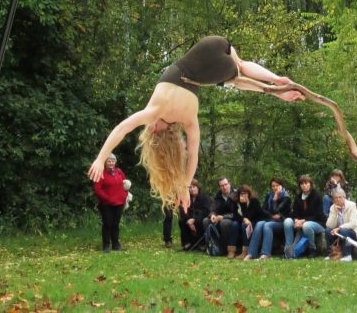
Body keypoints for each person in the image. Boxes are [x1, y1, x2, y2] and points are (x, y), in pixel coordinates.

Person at [88, 36, 304, 212]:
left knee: (236, 77)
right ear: (156, 130)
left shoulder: (188, 121)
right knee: (238, 69)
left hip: (210, 70)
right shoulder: (156, 111)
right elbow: (122, 128)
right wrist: (100, 158)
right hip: (210, 48)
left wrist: (184, 186)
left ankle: (278, 89)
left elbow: (193, 156)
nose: (150, 127)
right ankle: (277, 82)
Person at [244, 178, 292, 260]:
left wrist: (275, 199)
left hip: (281, 222)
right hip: (270, 219)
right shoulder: (269, 196)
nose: (275, 188)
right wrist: (271, 215)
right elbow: (263, 210)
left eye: (277, 185)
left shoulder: (286, 198)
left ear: (281, 186)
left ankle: (265, 254)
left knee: (267, 225)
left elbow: (276, 210)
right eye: (273, 186)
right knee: (259, 224)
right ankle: (251, 253)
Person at [283, 175, 326, 259]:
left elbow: (318, 215)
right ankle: (288, 251)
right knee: (287, 221)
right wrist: (295, 220)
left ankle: (312, 249)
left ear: (310, 184)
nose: (304, 185)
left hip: (318, 223)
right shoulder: (298, 197)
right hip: (301, 222)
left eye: (306, 183)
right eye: (302, 184)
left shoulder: (317, 196)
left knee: (306, 225)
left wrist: (303, 221)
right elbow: (295, 213)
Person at [92, 153, 128, 253]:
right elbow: (97, 189)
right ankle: (106, 245)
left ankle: (116, 244)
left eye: (113, 161)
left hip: (119, 202)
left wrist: (124, 195)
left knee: (116, 224)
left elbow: (125, 184)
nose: (111, 163)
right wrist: (107, 198)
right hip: (106, 204)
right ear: (105, 162)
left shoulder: (119, 171)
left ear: (115, 162)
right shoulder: (101, 172)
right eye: (109, 161)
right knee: (107, 224)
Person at [325, 187, 357, 262]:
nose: (338, 199)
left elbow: (353, 223)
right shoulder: (332, 208)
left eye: (340, 197)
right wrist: (335, 213)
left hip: (353, 233)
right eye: (336, 198)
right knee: (328, 231)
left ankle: (347, 255)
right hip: (339, 233)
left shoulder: (352, 206)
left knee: (344, 230)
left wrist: (339, 228)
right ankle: (330, 254)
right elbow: (329, 225)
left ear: (344, 197)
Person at [202, 177, 239, 257]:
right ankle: (214, 246)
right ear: (219, 187)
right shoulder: (218, 195)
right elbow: (213, 207)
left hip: (234, 219)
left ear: (229, 184)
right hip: (220, 218)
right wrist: (212, 215)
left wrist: (223, 217)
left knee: (224, 223)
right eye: (222, 186)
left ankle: (228, 249)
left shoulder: (236, 194)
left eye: (226, 184)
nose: (224, 187)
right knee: (206, 220)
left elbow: (238, 213)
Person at [233, 184, 265, 259]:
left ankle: (246, 251)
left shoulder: (254, 201)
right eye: (241, 194)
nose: (244, 195)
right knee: (238, 224)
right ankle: (235, 250)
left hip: (255, 221)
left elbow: (255, 215)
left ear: (249, 193)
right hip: (244, 221)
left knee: (245, 225)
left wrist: (245, 204)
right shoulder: (237, 202)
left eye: (245, 193)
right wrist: (244, 219)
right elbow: (235, 216)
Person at [178, 179, 211, 251]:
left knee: (200, 221)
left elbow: (206, 211)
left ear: (198, 187)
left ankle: (202, 243)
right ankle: (187, 242)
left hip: (200, 218)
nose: (192, 189)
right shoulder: (186, 198)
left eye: (194, 187)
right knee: (181, 220)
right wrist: (189, 220)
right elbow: (183, 210)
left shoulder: (204, 197)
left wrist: (194, 219)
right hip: (189, 219)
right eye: (190, 187)